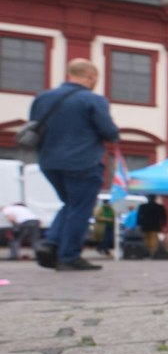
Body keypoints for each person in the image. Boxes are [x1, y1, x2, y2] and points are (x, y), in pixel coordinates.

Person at [27, 59, 119, 271]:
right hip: (82, 162)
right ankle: (69, 256)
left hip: (49, 162)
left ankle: (50, 245)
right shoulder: (93, 100)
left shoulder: (42, 98)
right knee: (80, 208)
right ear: (91, 75)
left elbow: (34, 125)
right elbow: (109, 132)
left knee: (69, 204)